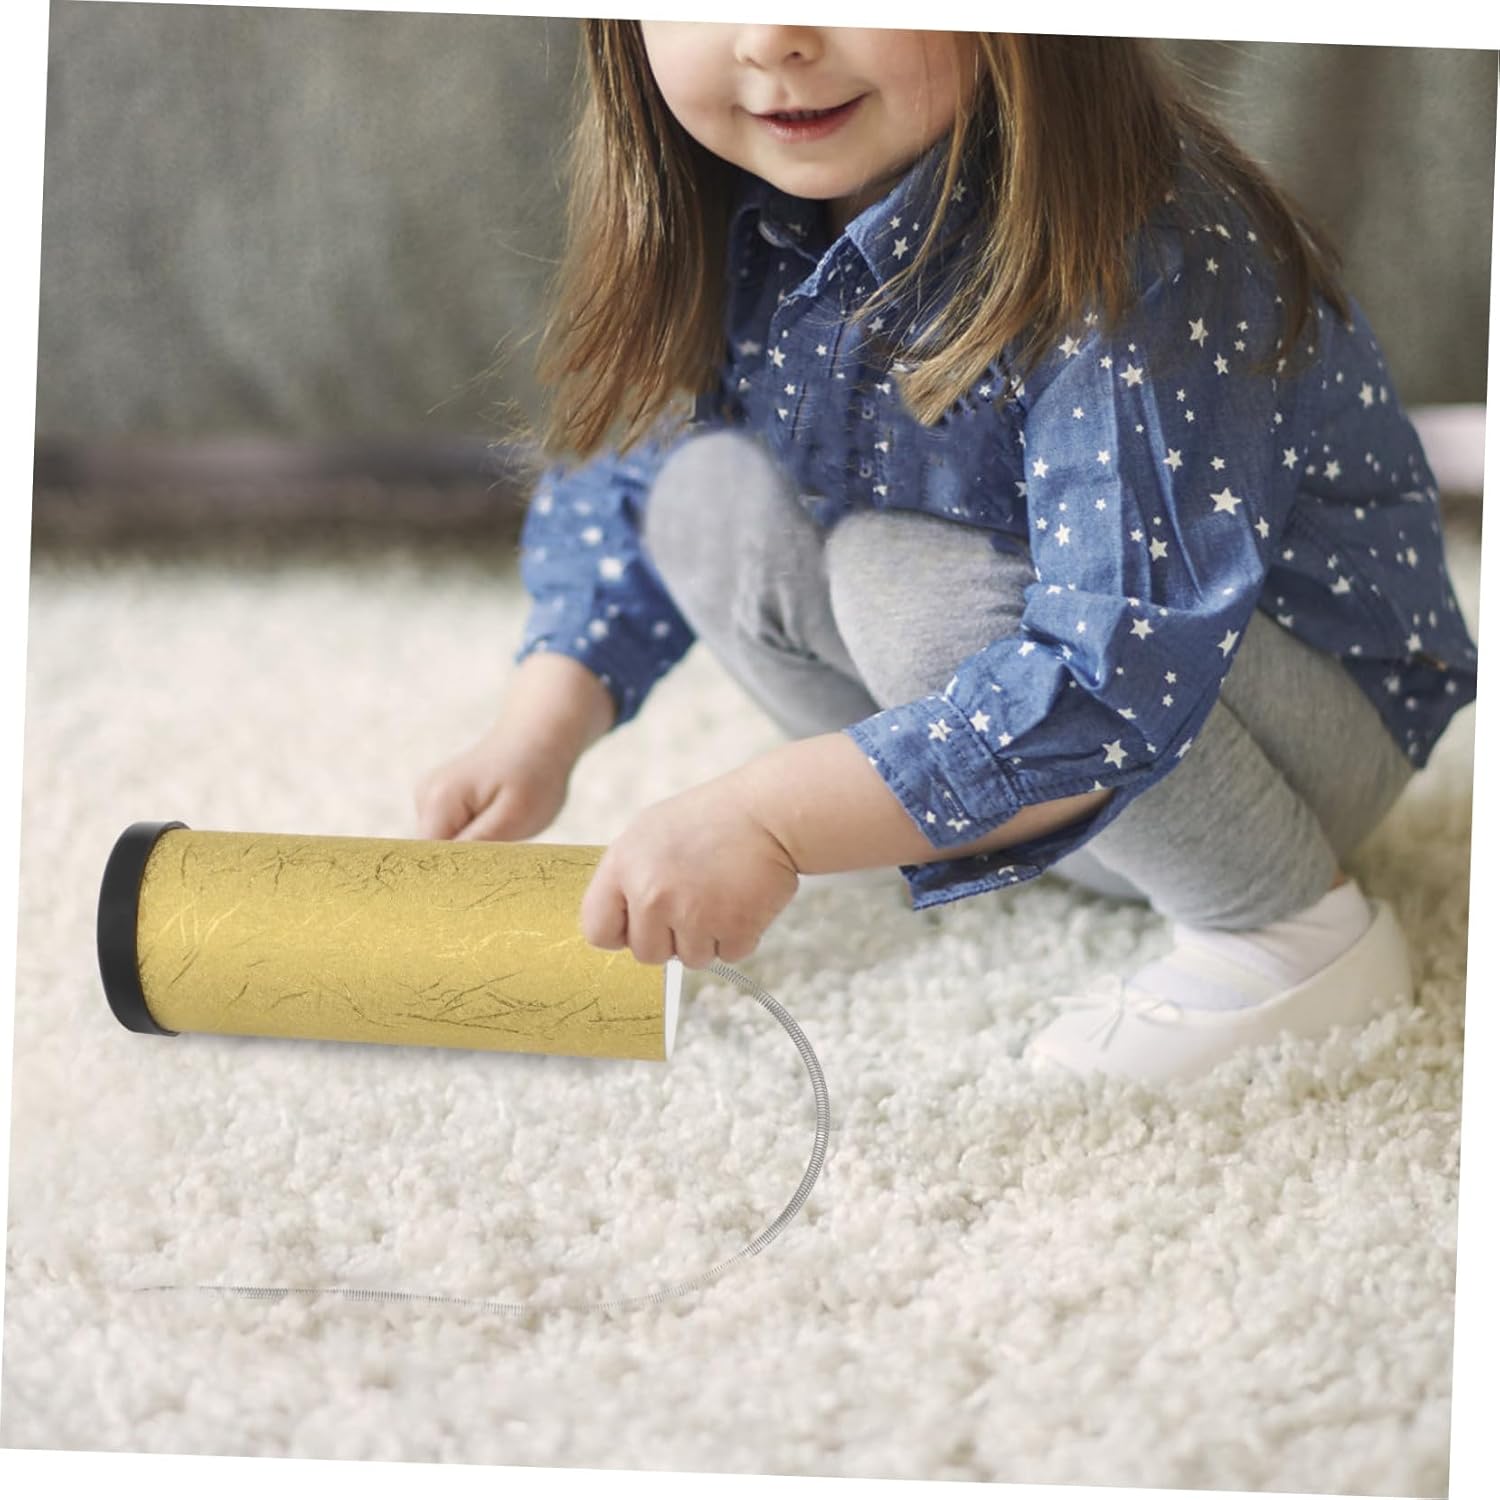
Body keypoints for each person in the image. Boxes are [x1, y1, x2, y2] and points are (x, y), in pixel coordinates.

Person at [415, 24, 1477, 1084]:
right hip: (1057, 740)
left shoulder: (1142, 242)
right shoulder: (739, 196)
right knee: (705, 496)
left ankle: (1289, 928)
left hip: (1278, 731)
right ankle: (939, 815)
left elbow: (1119, 661)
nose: (773, 38)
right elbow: (626, 476)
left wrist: (770, 818)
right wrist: (537, 732)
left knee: (900, 577)